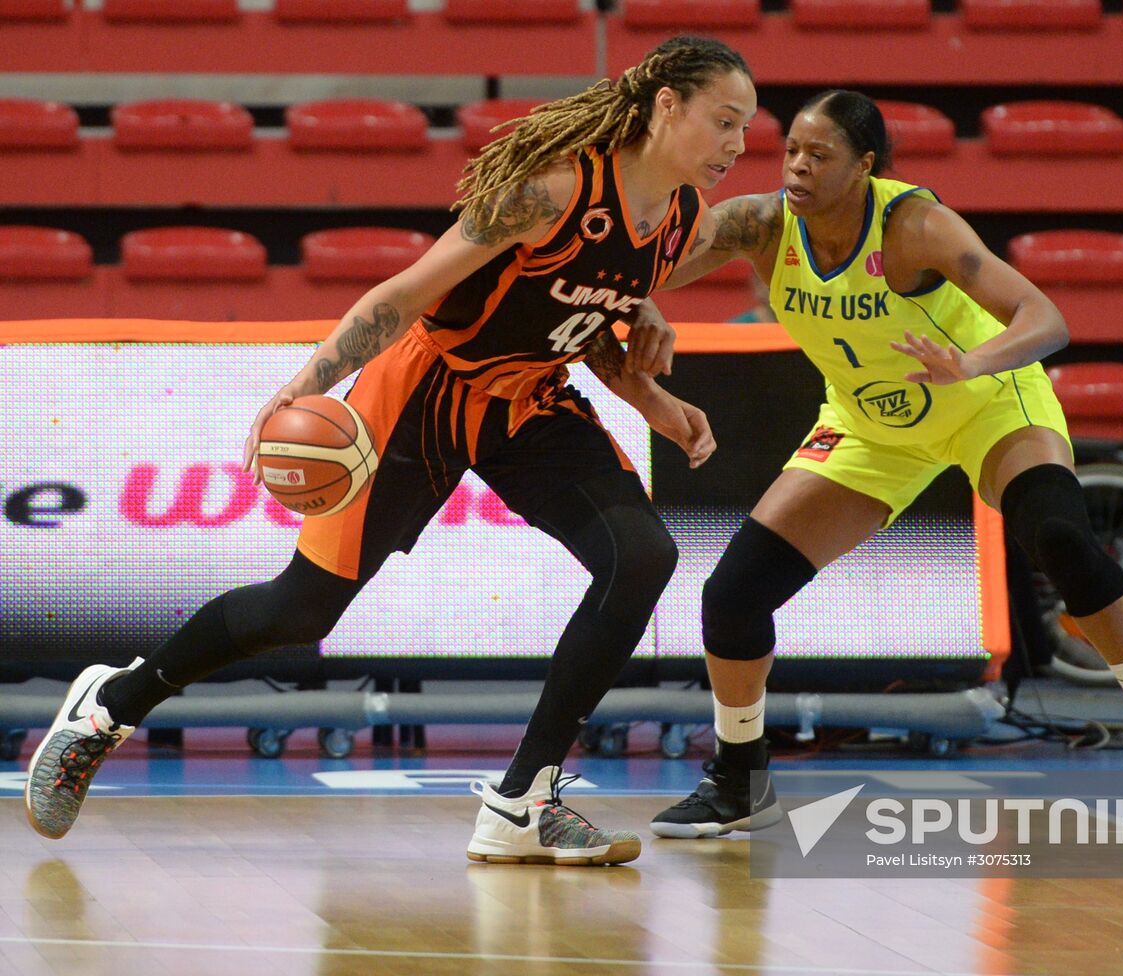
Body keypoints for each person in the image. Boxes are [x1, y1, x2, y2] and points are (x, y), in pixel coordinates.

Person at [26, 36, 759, 866]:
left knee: (641, 557)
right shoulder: (554, 185)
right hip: (425, 388)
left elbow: (578, 319)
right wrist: (309, 381)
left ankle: (525, 800)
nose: (737, 144)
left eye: (746, 128)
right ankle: (108, 707)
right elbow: (408, 292)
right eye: (724, 121)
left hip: (526, 400)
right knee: (300, 612)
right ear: (667, 106)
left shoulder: (680, 219)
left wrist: (653, 399)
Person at [648, 90, 1123, 841]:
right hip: (871, 426)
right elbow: (649, 260)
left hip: (986, 399)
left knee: (1061, 541)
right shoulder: (763, 224)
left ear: (865, 167)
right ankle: (740, 778)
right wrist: (638, 300)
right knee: (731, 595)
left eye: (819, 155)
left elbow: (1046, 319)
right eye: (790, 148)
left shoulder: (912, 224)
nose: (797, 166)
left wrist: (971, 363)